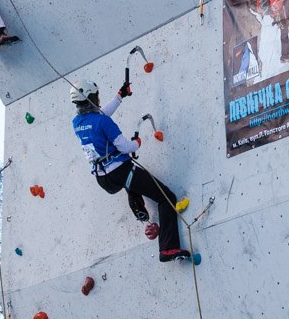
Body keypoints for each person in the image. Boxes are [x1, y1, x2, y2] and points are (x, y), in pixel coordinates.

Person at [71, 77, 198, 264]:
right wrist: (137, 143)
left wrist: (120, 96)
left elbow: (100, 115)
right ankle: (168, 248)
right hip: (120, 170)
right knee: (166, 197)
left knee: (133, 182)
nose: (99, 99)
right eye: (96, 96)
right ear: (91, 97)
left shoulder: (77, 123)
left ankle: (135, 199)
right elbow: (124, 147)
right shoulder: (103, 123)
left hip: (103, 178)